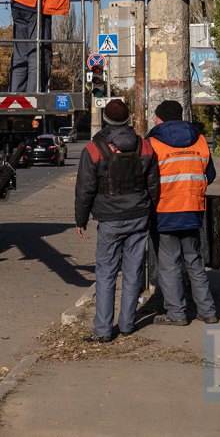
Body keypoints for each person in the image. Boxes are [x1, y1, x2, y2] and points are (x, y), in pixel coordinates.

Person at [75, 98, 160, 343]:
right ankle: (127, 324)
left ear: (105, 120)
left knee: (106, 273)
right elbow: (153, 184)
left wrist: (81, 220)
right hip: (139, 216)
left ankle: (102, 330)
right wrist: (150, 210)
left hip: (109, 219)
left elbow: (85, 189)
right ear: (127, 119)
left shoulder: (93, 149)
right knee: (133, 272)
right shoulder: (144, 147)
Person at [145, 100, 218, 326]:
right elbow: (211, 174)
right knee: (195, 261)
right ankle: (208, 311)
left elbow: (147, 178)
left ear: (162, 118)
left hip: (165, 210)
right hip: (193, 209)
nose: (155, 120)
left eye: (156, 116)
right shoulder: (201, 140)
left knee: (169, 265)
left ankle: (177, 314)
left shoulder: (153, 142)